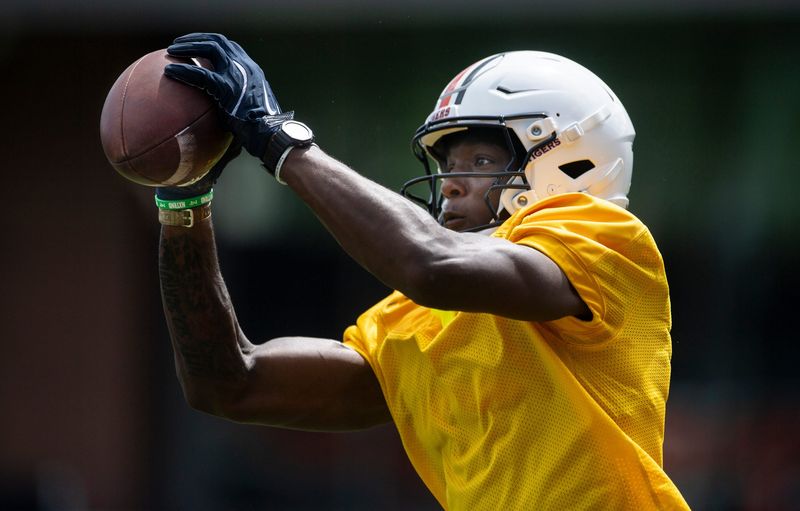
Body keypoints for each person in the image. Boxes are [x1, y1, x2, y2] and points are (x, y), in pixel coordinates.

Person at [154, 33, 689, 509]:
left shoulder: (605, 239)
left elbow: (432, 264)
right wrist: (184, 203)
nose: (451, 184)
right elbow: (230, 385)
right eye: (447, 166)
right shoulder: (418, 317)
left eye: (479, 161)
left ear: (568, 158)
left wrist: (279, 140)